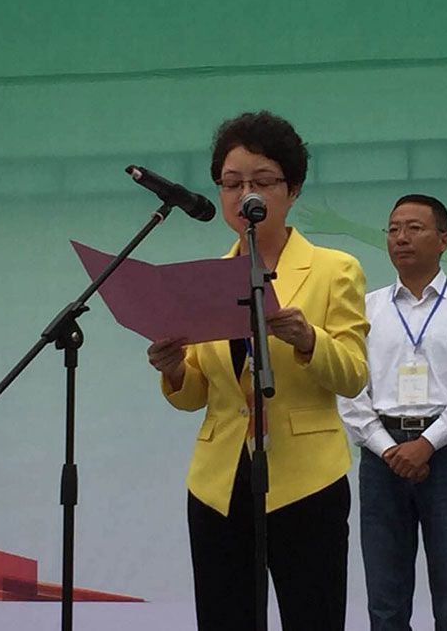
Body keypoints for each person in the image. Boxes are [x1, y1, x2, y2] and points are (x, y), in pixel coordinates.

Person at [146, 111, 369, 630]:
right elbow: (196, 395)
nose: (245, 194)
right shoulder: (206, 279)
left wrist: (309, 339)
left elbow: (354, 374)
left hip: (306, 478)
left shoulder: (335, 269)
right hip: (219, 481)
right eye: (232, 183)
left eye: (262, 181)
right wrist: (174, 370)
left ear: (292, 190)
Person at [338, 195, 447, 631]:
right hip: (382, 459)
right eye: (393, 229)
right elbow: (350, 387)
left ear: (443, 240)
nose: (401, 238)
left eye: (414, 228)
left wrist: (427, 444)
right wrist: (388, 449)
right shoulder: (365, 308)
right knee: (385, 601)